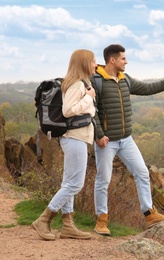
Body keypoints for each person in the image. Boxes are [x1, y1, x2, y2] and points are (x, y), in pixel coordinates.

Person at [92, 44, 164, 235]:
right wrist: (99, 135)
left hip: (126, 139)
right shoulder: (96, 81)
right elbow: (91, 110)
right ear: (112, 60)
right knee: (103, 179)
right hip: (107, 141)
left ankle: (149, 214)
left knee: (142, 173)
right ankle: (101, 220)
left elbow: (148, 88)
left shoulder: (124, 79)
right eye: (123, 58)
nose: (126, 61)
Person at [32, 49, 97, 241]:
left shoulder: (79, 83)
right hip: (75, 138)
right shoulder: (77, 85)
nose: (96, 64)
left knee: (68, 182)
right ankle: (43, 220)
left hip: (74, 138)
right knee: (75, 184)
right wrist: (89, 98)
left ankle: (68, 225)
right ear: (85, 63)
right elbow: (68, 111)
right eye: (93, 61)